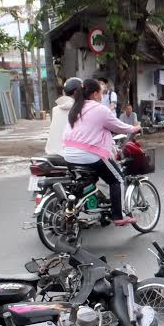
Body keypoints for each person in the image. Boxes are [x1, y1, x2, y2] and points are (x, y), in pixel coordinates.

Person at [63, 78, 141, 227]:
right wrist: (134, 128)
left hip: (68, 154)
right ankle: (118, 216)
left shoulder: (75, 108)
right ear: (94, 94)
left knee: (91, 180)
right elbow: (118, 126)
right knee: (117, 179)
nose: (102, 96)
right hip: (88, 154)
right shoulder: (99, 109)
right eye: (101, 92)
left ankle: (72, 207)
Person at [45, 77, 81, 156]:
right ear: (76, 92)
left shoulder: (56, 109)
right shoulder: (81, 109)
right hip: (72, 154)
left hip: (52, 152)